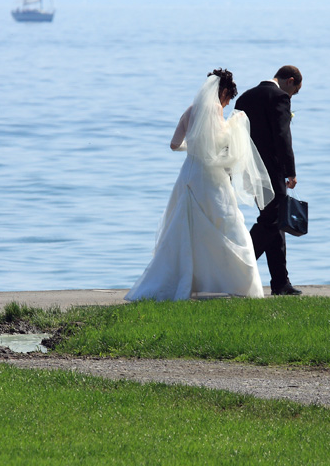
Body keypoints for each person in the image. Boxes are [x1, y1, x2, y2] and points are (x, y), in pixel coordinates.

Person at [125, 70, 274, 302]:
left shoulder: (189, 111)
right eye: (227, 98)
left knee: (185, 228)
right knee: (225, 223)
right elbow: (217, 145)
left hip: (189, 174)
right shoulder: (215, 111)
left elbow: (174, 145)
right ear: (223, 92)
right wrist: (235, 128)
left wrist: (192, 146)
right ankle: (231, 281)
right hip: (211, 177)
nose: (225, 103)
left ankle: (184, 279)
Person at [234, 65, 303, 296]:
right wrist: (290, 171)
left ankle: (280, 283)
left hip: (250, 169)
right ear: (290, 81)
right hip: (272, 170)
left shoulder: (245, 98)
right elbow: (282, 136)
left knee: (276, 222)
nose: (291, 96)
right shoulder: (279, 97)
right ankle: (237, 266)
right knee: (272, 222)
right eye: (295, 91)